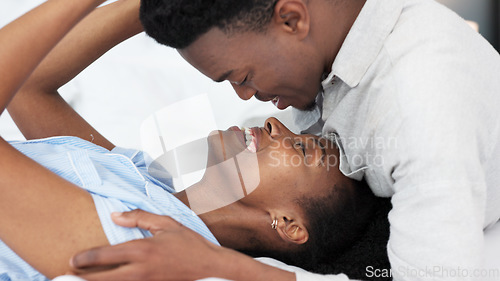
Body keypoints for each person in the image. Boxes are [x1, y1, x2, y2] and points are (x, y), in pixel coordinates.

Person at [67, 0, 500, 280]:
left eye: (243, 77)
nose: (255, 105)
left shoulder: (421, 107)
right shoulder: (324, 64)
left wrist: (225, 268)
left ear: (292, 19)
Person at [0, 1, 390, 280]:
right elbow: (27, 88)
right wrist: (167, 11)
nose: (275, 123)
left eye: (304, 149)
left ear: (288, 224)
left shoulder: (139, 241)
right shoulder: (146, 184)